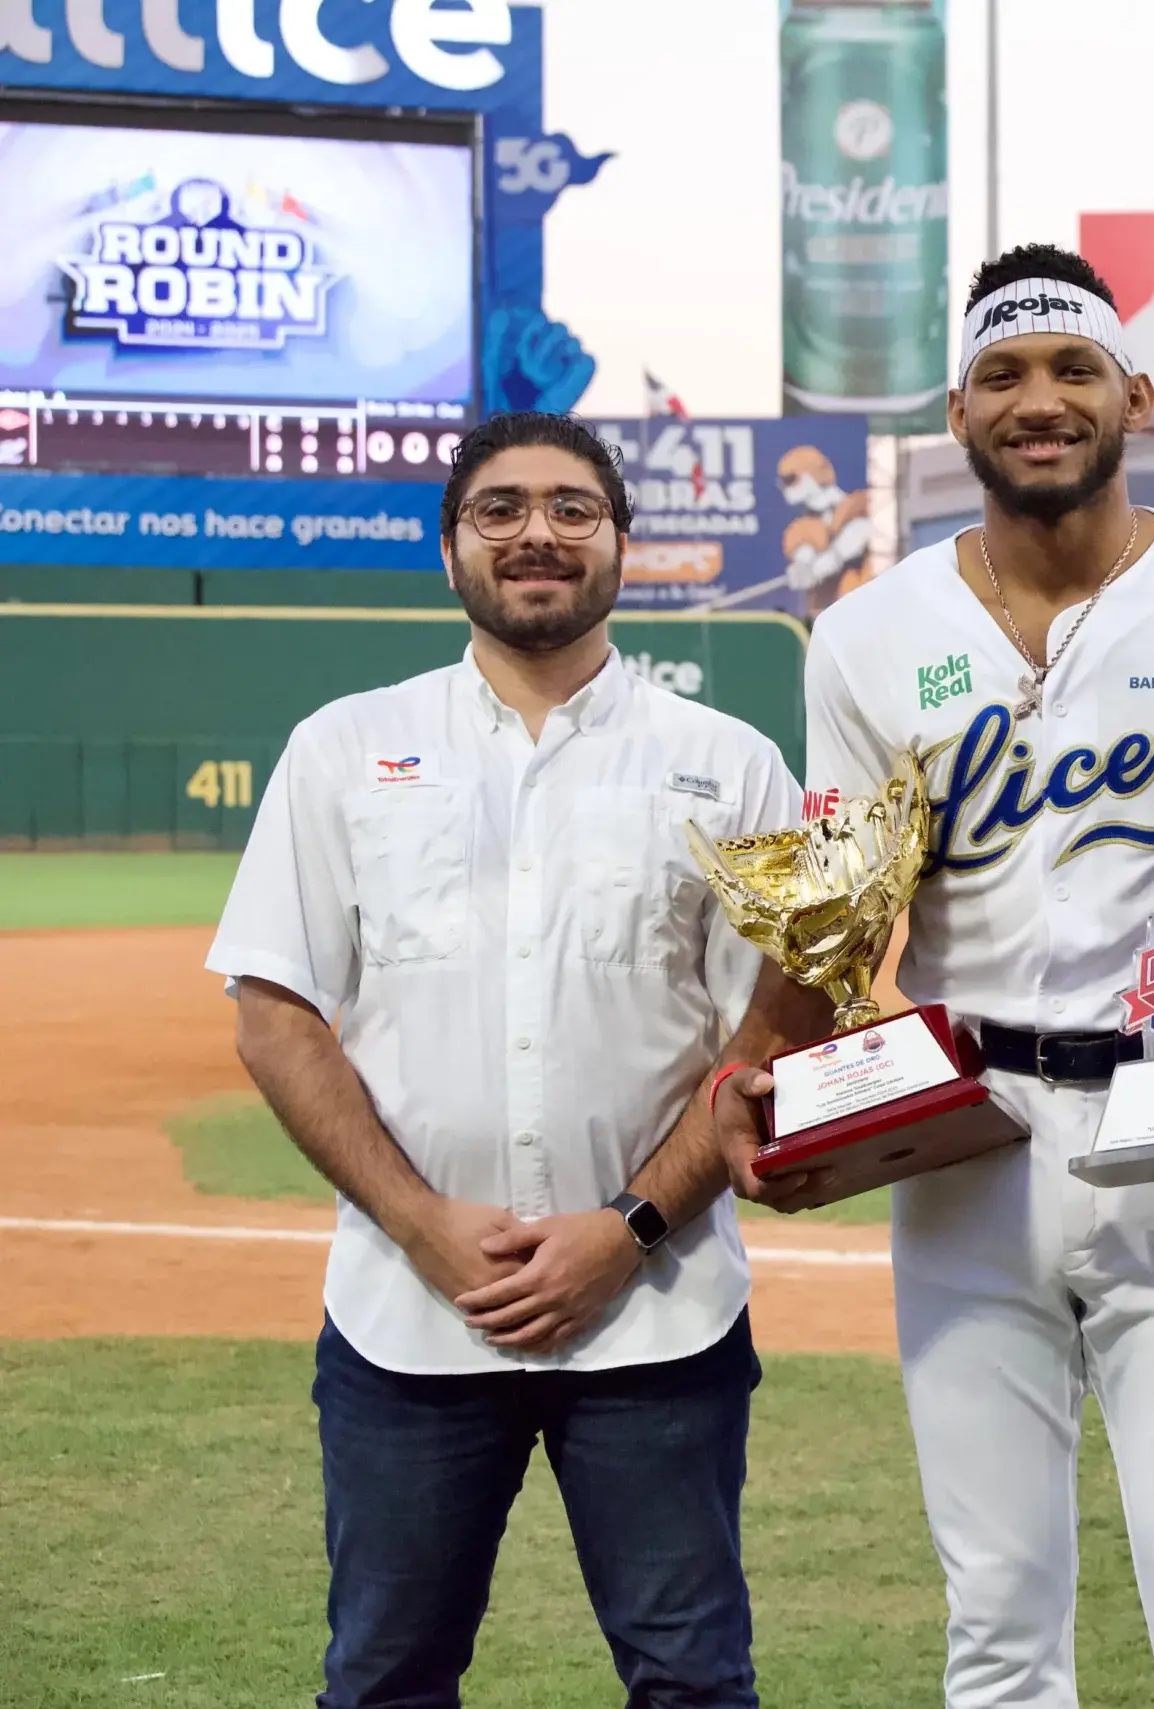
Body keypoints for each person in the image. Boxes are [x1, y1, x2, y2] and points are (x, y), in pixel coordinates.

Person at [713, 243, 1154, 1708]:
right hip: (965, 1139)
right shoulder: (869, 633)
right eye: (1003, 374)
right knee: (994, 1622)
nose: (1038, 401)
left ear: (1134, 393)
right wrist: (781, 1084)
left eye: (1070, 370)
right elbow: (842, 907)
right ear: (958, 411)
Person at [209, 412, 802, 1709]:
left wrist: (629, 1226)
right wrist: (419, 1224)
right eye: (501, 508)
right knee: (382, 1682)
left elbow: (767, 1041)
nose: (538, 531)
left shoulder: (728, 765)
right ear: (453, 546)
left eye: (573, 508)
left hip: (657, 1317)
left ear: (623, 544)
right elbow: (276, 1013)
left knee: (695, 1685)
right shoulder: (343, 750)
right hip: (409, 1320)